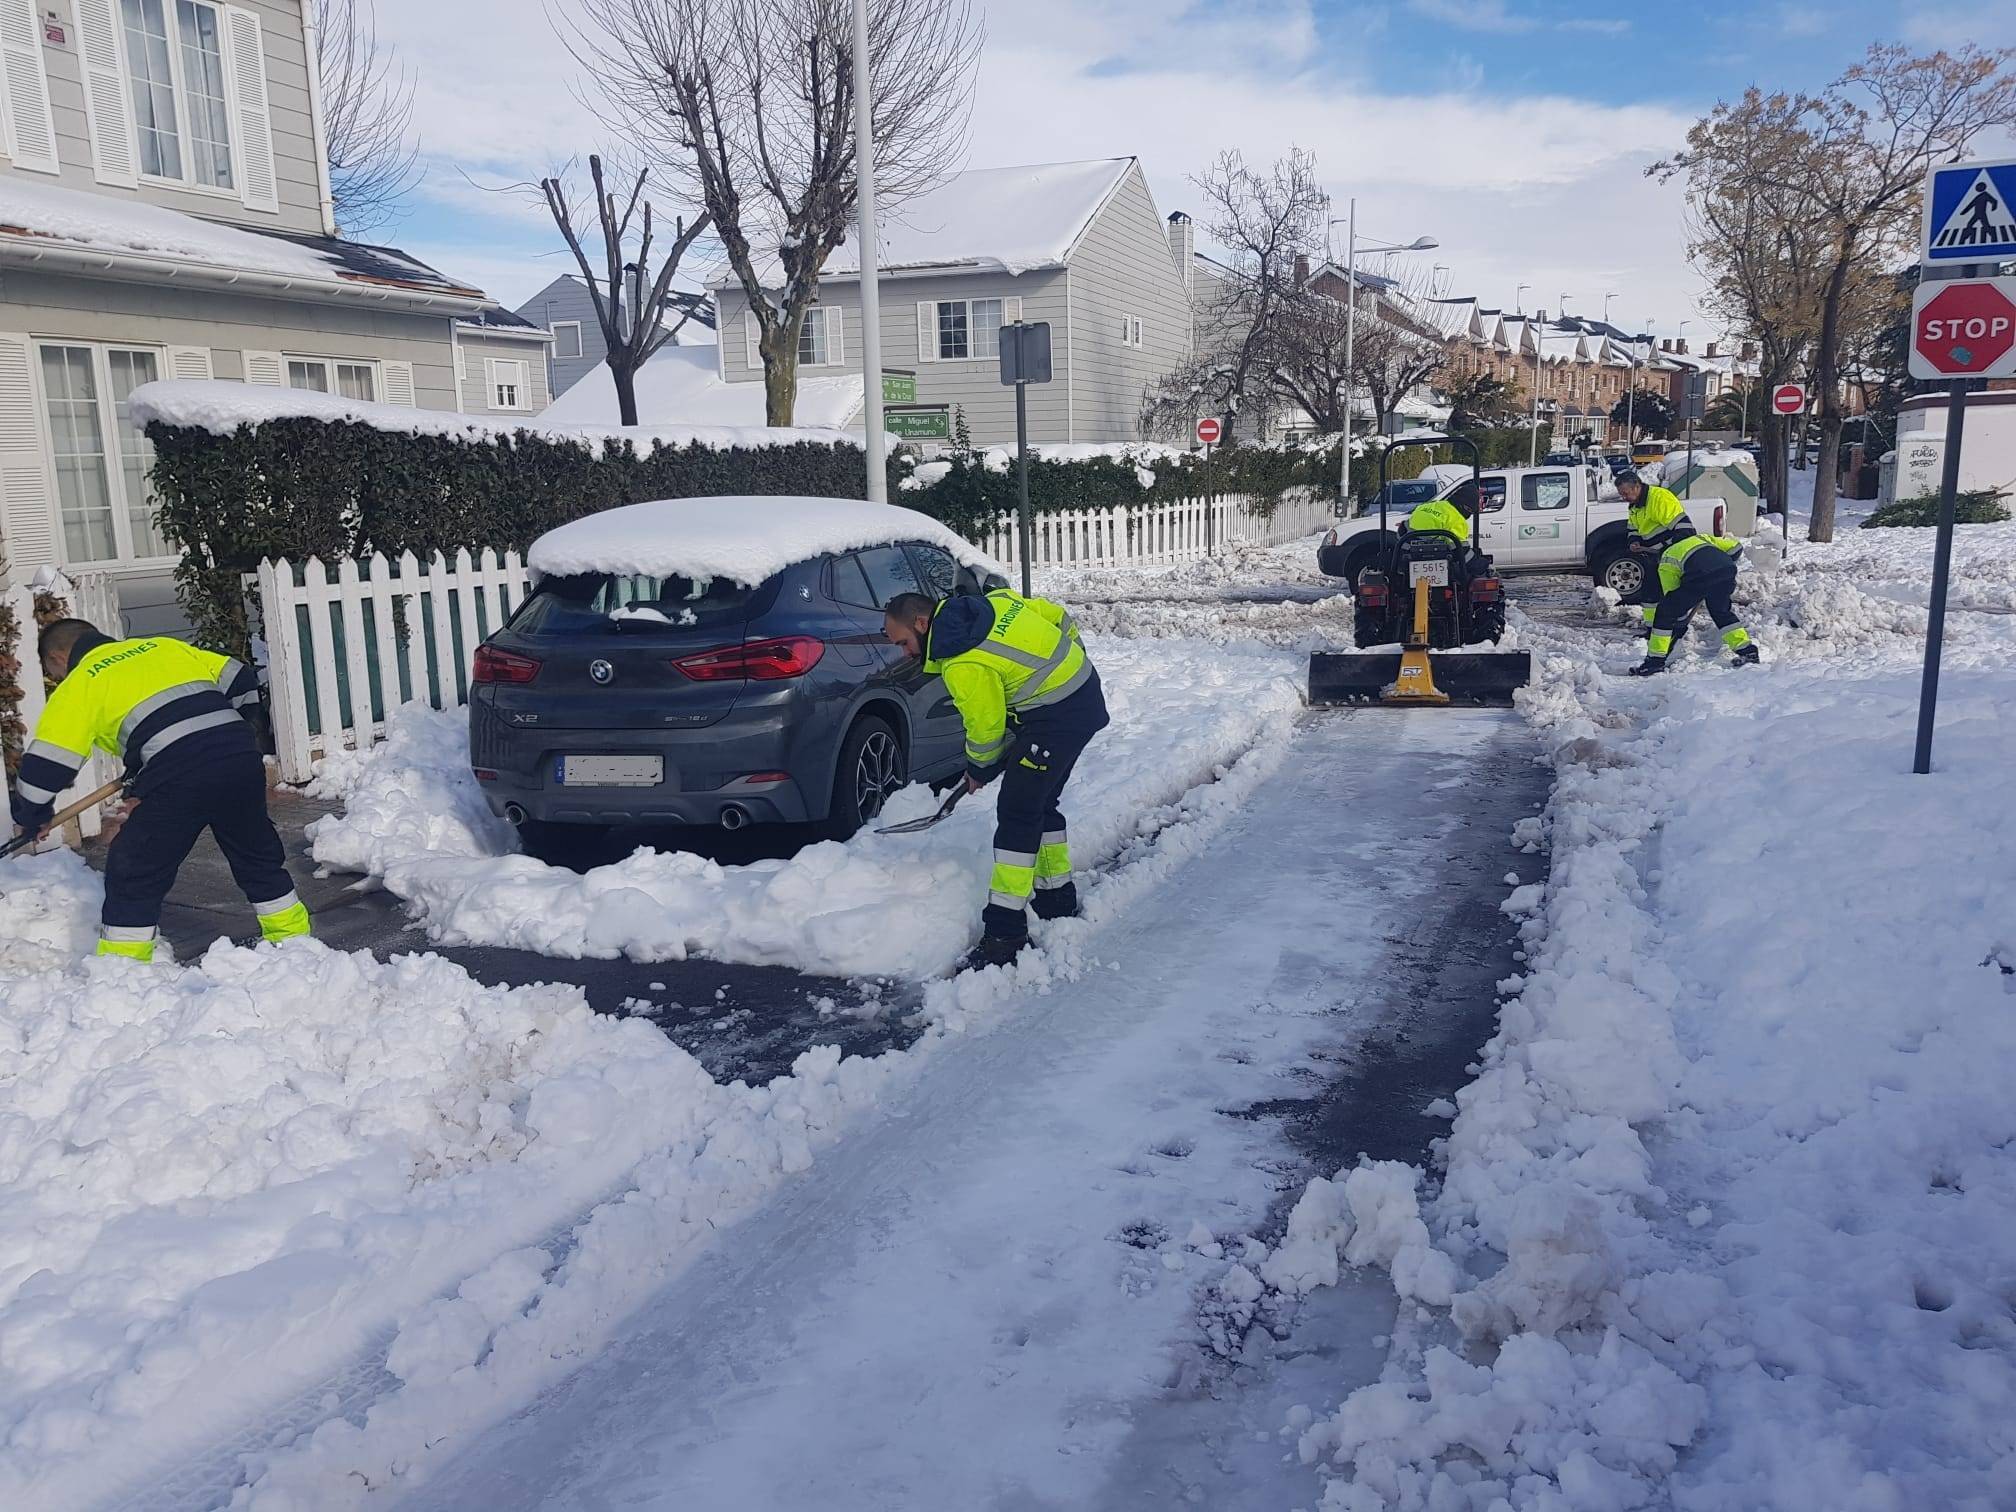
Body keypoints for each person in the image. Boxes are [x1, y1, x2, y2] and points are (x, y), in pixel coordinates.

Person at [10, 620, 310, 960]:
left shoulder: (83, 680)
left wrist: (32, 815)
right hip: (239, 757)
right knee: (255, 854)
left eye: (53, 672)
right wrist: (241, 727)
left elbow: (46, 765)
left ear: (59, 657)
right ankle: (294, 943)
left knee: (135, 869)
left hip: (180, 773)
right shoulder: (163, 646)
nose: (57, 680)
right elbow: (238, 676)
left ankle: (123, 970)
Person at [884, 588, 1109, 970]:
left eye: (904, 642)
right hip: (1081, 696)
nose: (904, 653)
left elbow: (987, 728)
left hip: (1057, 718)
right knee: (1039, 801)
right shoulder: (994, 602)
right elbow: (1055, 616)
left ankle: (1005, 933)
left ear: (922, 624)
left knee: (1018, 811)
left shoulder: (961, 662)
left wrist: (980, 768)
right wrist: (1074, 659)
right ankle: (1056, 900)